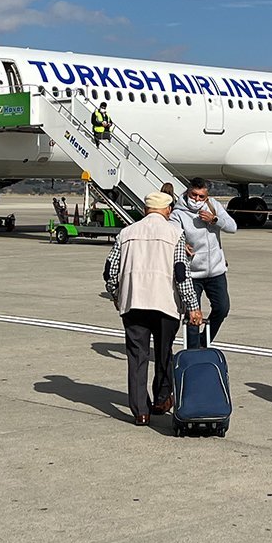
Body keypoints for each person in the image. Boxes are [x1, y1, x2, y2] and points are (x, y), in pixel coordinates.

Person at [104, 191, 202, 425]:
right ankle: (160, 399)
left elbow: (110, 270)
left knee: (137, 356)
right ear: (167, 210)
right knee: (163, 352)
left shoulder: (126, 233)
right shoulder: (175, 233)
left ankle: (140, 411)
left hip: (133, 302)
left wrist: (116, 295)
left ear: (146, 209)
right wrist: (193, 306)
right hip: (164, 302)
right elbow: (181, 273)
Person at [170, 177, 237, 348]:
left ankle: (203, 343)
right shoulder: (178, 213)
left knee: (222, 308)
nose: (197, 200)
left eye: (202, 197)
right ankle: (193, 352)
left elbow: (232, 227)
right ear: (188, 192)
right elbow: (170, 234)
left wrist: (215, 220)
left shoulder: (213, 205)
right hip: (192, 273)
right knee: (193, 315)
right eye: (194, 195)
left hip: (215, 270)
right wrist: (181, 244)